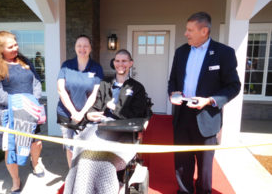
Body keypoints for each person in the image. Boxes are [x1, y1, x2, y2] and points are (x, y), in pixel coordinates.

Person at [168, 12, 241, 194]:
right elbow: (173, 81)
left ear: (204, 31)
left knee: (205, 166)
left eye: (190, 30)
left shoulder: (224, 53)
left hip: (207, 116)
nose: (186, 33)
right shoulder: (181, 52)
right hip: (182, 114)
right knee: (182, 162)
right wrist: (173, 93)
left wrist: (209, 100)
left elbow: (233, 86)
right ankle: (184, 191)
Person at [63, 49, 150, 194]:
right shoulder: (105, 84)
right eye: (117, 61)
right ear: (113, 63)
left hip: (122, 131)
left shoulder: (137, 88)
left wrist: (114, 108)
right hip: (99, 127)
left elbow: (137, 115)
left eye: (124, 61)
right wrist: (90, 114)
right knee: (82, 158)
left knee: (103, 163)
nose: (120, 64)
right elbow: (95, 106)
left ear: (130, 63)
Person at [0, 31, 45, 194]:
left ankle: (35, 163)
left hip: (29, 112)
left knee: (35, 143)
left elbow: (37, 82)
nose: (15, 48)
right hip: (8, 115)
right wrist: (19, 103)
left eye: (16, 44)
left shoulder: (24, 61)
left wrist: (33, 100)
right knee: (11, 148)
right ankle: (16, 180)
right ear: (0, 49)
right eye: (11, 46)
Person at [56, 35, 104, 168]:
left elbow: (95, 94)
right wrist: (73, 112)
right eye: (79, 45)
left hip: (86, 115)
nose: (82, 49)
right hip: (66, 114)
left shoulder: (96, 68)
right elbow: (61, 90)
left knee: (85, 146)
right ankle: (72, 173)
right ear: (75, 48)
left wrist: (81, 113)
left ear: (90, 48)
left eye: (86, 46)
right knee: (70, 146)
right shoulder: (66, 65)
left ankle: (83, 172)